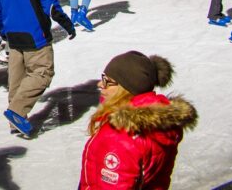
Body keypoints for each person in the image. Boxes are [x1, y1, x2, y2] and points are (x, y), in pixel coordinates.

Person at [0, 0, 76, 137]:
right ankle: (17, 112)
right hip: (36, 35)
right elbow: (51, 5)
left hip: (12, 35)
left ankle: (15, 123)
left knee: (16, 77)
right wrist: (67, 25)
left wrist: (3, 32)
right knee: (43, 72)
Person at [79, 52, 198, 189]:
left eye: (108, 81)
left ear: (125, 89)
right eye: (102, 78)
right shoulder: (164, 122)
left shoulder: (119, 137)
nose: (100, 84)